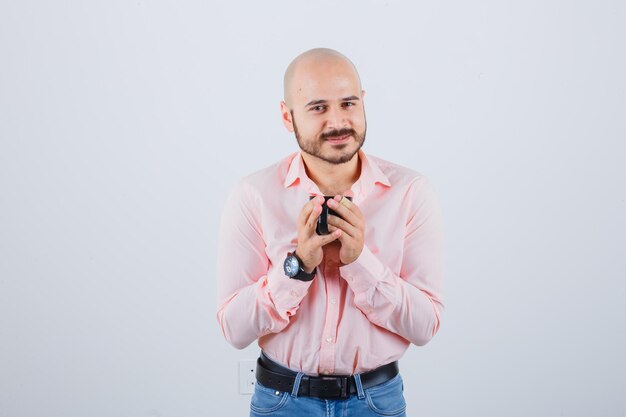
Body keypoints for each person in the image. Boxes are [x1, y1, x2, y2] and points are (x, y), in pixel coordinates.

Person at [216, 48, 445, 417]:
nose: (338, 121)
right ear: (287, 117)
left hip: (376, 402)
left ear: (364, 102)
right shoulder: (254, 195)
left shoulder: (411, 193)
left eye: (348, 103)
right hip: (281, 401)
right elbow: (234, 329)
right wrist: (298, 266)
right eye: (318, 107)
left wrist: (361, 263)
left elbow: (425, 326)